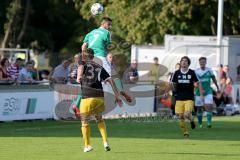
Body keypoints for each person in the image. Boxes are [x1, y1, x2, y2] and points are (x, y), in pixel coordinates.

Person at [76, 48, 122, 152]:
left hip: (87, 96)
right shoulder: (100, 67)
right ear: (93, 56)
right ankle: (105, 142)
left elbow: (80, 68)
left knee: (84, 122)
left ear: (84, 56)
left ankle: (87, 146)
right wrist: (117, 95)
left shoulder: (82, 63)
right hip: (99, 97)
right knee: (99, 119)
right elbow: (110, 80)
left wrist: (79, 76)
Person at [82, 17, 131, 102]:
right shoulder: (107, 33)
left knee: (87, 81)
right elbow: (107, 46)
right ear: (103, 24)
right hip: (101, 57)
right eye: (108, 24)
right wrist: (107, 53)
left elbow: (83, 46)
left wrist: (85, 57)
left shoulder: (91, 33)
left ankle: (76, 105)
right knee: (113, 77)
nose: (109, 27)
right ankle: (119, 94)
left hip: (90, 58)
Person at [170, 56, 203, 138]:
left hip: (189, 97)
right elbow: (172, 83)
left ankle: (191, 120)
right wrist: (168, 91)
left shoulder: (192, 72)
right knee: (180, 116)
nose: (183, 62)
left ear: (188, 63)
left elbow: (198, 82)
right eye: (182, 61)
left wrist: (201, 94)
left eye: (185, 61)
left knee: (187, 114)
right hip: (179, 98)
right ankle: (185, 132)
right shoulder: (176, 73)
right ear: (180, 63)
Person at [195, 57, 219, 128]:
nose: (202, 63)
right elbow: (195, 83)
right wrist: (200, 89)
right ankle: (200, 123)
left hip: (208, 91)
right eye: (201, 62)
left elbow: (214, 79)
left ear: (206, 62)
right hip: (198, 92)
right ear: (199, 63)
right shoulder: (196, 71)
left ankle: (209, 122)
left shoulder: (209, 70)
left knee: (209, 106)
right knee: (199, 108)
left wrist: (217, 87)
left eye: (203, 61)